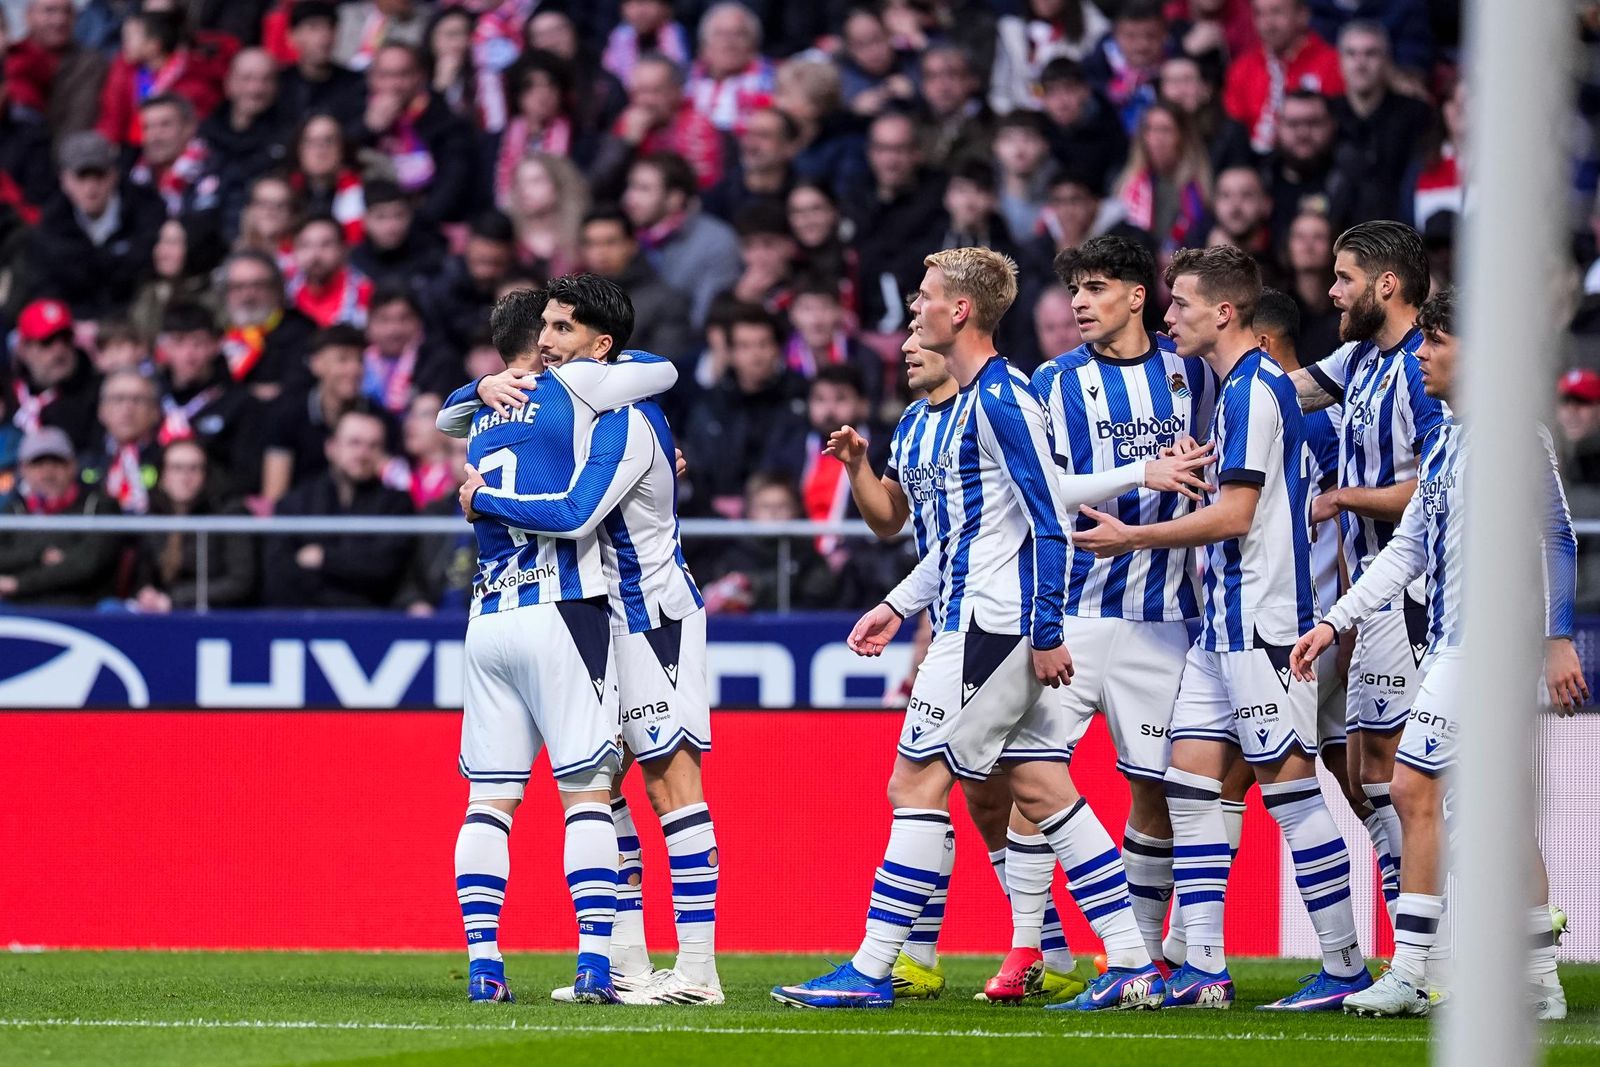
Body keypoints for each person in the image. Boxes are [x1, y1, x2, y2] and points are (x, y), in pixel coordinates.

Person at [774, 248, 1163, 1011]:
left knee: (913, 783)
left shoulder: (1003, 398)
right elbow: (952, 537)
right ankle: (1132, 961)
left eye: (923, 298)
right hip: (974, 618)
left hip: (994, 628)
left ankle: (873, 967)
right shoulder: (945, 412)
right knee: (1042, 783)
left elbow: (1049, 520)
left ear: (960, 311)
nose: (911, 310)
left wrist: (1047, 629)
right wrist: (896, 603)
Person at [1075, 245, 1371, 1010]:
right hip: (1222, 625)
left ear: (1225, 312)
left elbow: (1241, 516)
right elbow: (1252, 495)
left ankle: (1343, 966)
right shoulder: (1244, 388)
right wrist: (1196, 470)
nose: (1168, 316)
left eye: (1181, 304)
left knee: (1291, 792)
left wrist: (1133, 536)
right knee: (1189, 785)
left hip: (1266, 626)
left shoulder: (1257, 389)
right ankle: (1204, 964)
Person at [1292, 287, 1586, 1021]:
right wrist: (1334, 620)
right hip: (1456, 644)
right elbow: (1408, 550)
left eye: (1437, 343)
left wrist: (1555, 640)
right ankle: (1539, 982)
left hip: (1489, 651)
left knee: (1413, 786)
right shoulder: (1450, 440)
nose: (1421, 355)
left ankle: (1416, 969)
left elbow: (1557, 538)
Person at [451, 308, 718, 1007]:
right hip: (574, 613)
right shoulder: (571, 399)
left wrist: (476, 404)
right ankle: (610, 964)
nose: (551, 342)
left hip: (534, 617)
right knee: (597, 792)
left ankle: (492, 963)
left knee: (501, 801)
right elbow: (660, 371)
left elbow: (450, 415)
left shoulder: (488, 415)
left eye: (562, 329)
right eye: (545, 331)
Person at [1030, 234, 1220, 973]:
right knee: (1024, 768)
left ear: (1138, 296)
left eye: (1097, 286)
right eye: (1076, 289)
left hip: (1168, 618)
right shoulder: (1052, 380)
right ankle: (1037, 944)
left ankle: (1138, 955)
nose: (1080, 301)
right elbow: (1040, 485)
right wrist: (1140, 471)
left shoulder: (1194, 374)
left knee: (1157, 788)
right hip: (1073, 612)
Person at [1284, 220, 1446, 922]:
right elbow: (1283, 392)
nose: (1333, 291)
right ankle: (1412, 925)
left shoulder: (1424, 366)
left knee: (1394, 771)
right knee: (1361, 773)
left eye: (1345, 277)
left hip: (1415, 585)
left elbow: (1436, 486)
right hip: (1369, 587)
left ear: (1387, 284)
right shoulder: (1359, 361)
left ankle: (1452, 933)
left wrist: (1342, 496)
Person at [262, 407, 414, 607]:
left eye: (374, 446)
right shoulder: (296, 502)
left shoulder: (397, 504)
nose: (363, 453)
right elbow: (279, 572)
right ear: (331, 448)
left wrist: (324, 558)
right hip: (305, 621)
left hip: (373, 622)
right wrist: (353, 569)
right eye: (354, 443)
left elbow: (385, 567)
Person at [681, 302, 808, 517]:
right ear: (730, 352)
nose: (756, 355)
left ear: (778, 348)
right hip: (717, 520)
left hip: (784, 515)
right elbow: (697, 464)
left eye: (763, 344)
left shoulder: (802, 399)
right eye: (745, 346)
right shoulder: (709, 405)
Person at [27, 130, 165, 321]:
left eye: (99, 175)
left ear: (114, 175)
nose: (91, 187)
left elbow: (149, 274)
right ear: (64, 179)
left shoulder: (147, 208)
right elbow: (46, 286)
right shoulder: (51, 223)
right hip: (75, 327)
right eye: (81, 176)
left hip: (134, 322)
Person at [259, 325, 391, 501]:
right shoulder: (287, 416)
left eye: (359, 360)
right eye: (343, 360)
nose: (354, 369)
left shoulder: (380, 419)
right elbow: (274, 496)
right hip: (301, 520)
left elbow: (392, 482)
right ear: (316, 364)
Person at [350, 42, 475, 228]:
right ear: (371, 78)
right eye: (384, 75)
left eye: (403, 75)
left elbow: (452, 183)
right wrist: (367, 129)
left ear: (420, 77)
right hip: (370, 223)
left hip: (428, 223)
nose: (393, 85)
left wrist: (415, 225)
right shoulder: (355, 110)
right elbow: (337, 158)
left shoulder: (444, 119)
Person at [0, 427, 123, 607]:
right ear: (23, 469)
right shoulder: (13, 510)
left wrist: (17, 584)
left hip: (82, 606)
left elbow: (86, 565)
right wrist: (38, 555)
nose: (48, 473)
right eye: (38, 464)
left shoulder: (98, 506)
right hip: (18, 607)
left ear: (73, 466)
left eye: (57, 463)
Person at [131, 438, 257, 611]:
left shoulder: (230, 513)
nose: (185, 477)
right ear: (163, 476)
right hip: (161, 612)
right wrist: (147, 593)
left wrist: (174, 599)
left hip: (220, 615)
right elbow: (143, 576)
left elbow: (239, 582)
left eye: (194, 469)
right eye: (176, 468)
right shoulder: (153, 517)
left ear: (207, 475)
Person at [622, 152, 742, 330]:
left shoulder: (716, 242)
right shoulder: (625, 235)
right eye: (631, 187)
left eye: (643, 189)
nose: (630, 198)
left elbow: (705, 317)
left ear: (674, 199)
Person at [1329, 22, 1432, 227]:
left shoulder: (1415, 114)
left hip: (1398, 234)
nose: (1360, 63)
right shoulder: (1326, 114)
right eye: (1351, 54)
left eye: (1370, 54)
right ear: (1339, 62)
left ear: (1387, 61)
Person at [1224, 0, 1344, 155]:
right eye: (1259, 14)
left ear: (1302, 15)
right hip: (1257, 166)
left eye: (1276, 12)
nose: (1267, 24)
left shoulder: (1333, 64)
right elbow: (1234, 135)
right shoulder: (1242, 69)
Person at [579, 208, 695, 364]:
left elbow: (664, 367)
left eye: (610, 242)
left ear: (632, 245)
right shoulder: (573, 300)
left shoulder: (667, 301)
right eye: (591, 244)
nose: (600, 253)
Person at [199, 47, 288, 235]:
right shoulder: (203, 134)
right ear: (229, 83)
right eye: (247, 78)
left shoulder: (289, 138)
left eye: (266, 80)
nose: (256, 89)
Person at [2, 298, 103, 451]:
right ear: (23, 349)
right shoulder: (7, 393)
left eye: (65, 338)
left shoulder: (97, 393)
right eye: (47, 342)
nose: (59, 351)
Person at [216, 249, 317, 403]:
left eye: (258, 285)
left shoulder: (303, 331)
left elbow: (296, 391)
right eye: (238, 286)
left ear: (277, 289)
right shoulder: (216, 333)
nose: (247, 295)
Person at [4, 0, 109, 136]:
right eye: (50, 11)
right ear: (28, 15)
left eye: (67, 12)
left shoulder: (89, 63)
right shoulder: (11, 57)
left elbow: (78, 122)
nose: (59, 20)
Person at [990, 0, 1111, 115]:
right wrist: (1012, 115)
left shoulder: (1087, 29)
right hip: (1021, 115)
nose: (1045, 1)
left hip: (1067, 112)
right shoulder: (1010, 29)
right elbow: (1000, 87)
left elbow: (1103, 31)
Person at [79, 368, 162, 514]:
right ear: (101, 410)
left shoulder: (169, 462)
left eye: (138, 400)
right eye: (118, 399)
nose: (128, 408)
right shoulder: (84, 461)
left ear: (155, 411)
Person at [686, 2, 775, 137]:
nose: (729, 43)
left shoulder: (773, 83)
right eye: (720, 34)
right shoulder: (685, 83)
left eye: (739, 34)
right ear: (705, 46)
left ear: (754, 45)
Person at [129, 94, 218, 219]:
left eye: (165, 125)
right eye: (147, 127)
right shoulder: (134, 177)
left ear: (189, 128)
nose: (154, 137)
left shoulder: (216, 171)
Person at [351, 178, 446, 289]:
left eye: (399, 215)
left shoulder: (433, 257)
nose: (391, 226)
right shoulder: (355, 265)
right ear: (365, 220)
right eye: (381, 217)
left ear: (410, 216)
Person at [287, 215, 374, 329]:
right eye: (305, 245)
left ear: (343, 249)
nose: (315, 255)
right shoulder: (284, 294)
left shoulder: (365, 293)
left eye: (326, 245)